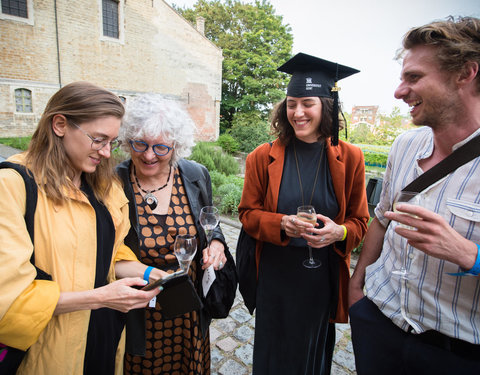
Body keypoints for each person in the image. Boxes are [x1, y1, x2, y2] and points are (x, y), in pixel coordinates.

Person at [0, 81, 166, 375]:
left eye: (111, 143)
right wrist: (101, 297)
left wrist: (151, 274)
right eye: (98, 139)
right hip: (51, 348)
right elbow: (10, 297)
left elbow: (111, 252)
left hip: (104, 335)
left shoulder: (105, 185)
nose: (105, 153)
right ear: (60, 124)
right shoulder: (12, 186)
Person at [348, 16, 480, 374]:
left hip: (454, 352)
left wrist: (469, 254)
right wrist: (357, 289)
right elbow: (380, 221)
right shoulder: (405, 145)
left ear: (466, 73)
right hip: (377, 322)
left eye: (414, 78)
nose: (399, 91)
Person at [238, 52, 370, 375]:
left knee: (309, 360)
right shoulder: (261, 157)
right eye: (291, 103)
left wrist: (338, 233)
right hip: (274, 278)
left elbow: (360, 222)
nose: (297, 112)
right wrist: (281, 223)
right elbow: (246, 214)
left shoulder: (351, 157)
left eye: (307, 103)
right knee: (271, 357)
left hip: (318, 283)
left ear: (327, 104)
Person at [116, 94, 228, 375]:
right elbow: (106, 252)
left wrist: (216, 243)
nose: (149, 155)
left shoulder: (195, 175)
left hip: (189, 308)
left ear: (176, 146)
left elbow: (210, 223)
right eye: (139, 143)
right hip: (140, 312)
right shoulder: (114, 180)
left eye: (161, 147)